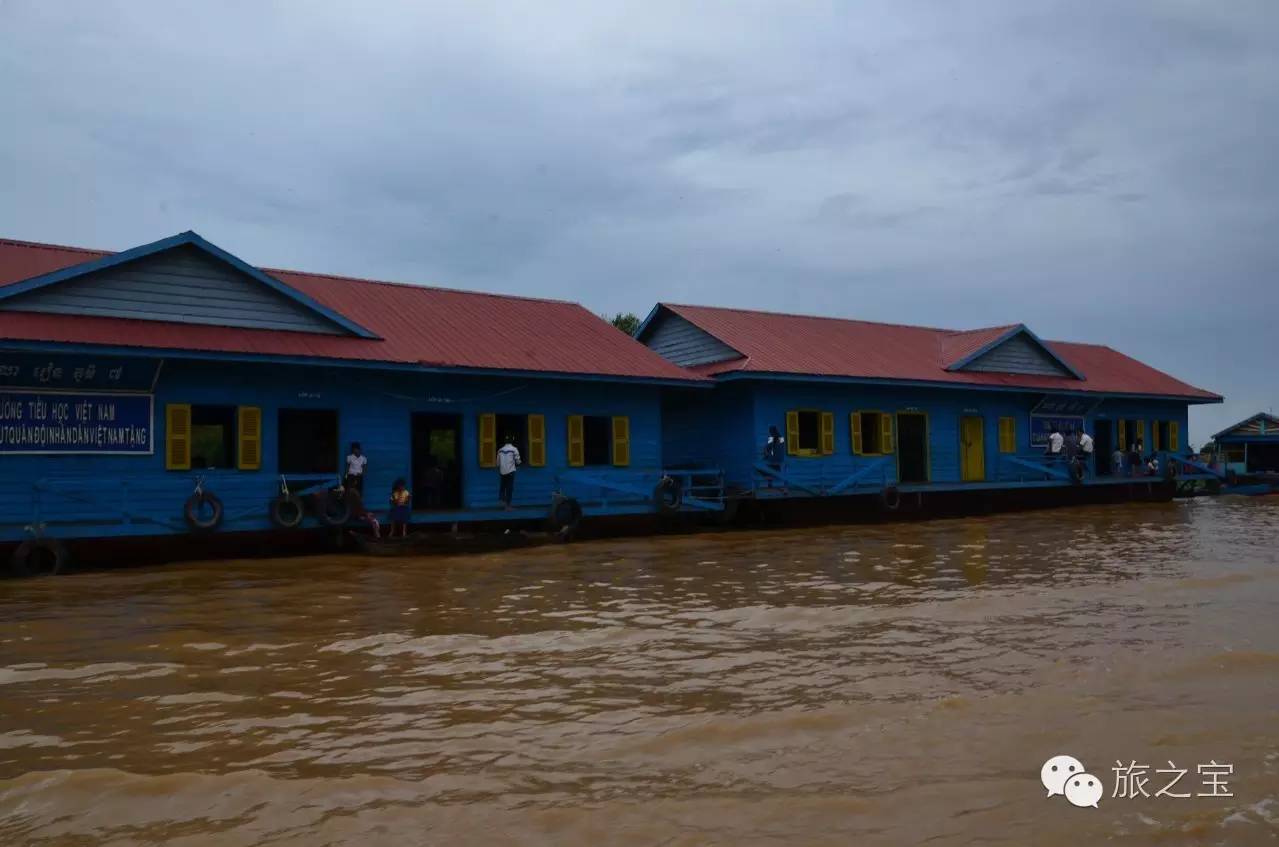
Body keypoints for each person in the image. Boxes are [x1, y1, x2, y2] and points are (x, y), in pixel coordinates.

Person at [497, 435, 521, 510]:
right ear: (512, 441)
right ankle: (508, 506)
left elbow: (497, 463)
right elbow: (518, 461)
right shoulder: (514, 449)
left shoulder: (500, 450)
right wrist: (519, 463)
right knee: (509, 488)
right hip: (510, 471)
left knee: (503, 486)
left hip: (502, 471)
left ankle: (501, 500)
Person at [763, 425, 786, 489]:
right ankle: (770, 481)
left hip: (775, 458)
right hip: (776, 458)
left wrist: (767, 453)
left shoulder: (776, 438)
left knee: (763, 466)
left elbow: (775, 450)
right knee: (768, 467)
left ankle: (770, 481)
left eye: (770, 432)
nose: (770, 433)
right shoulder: (777, 438)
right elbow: (768, 447)